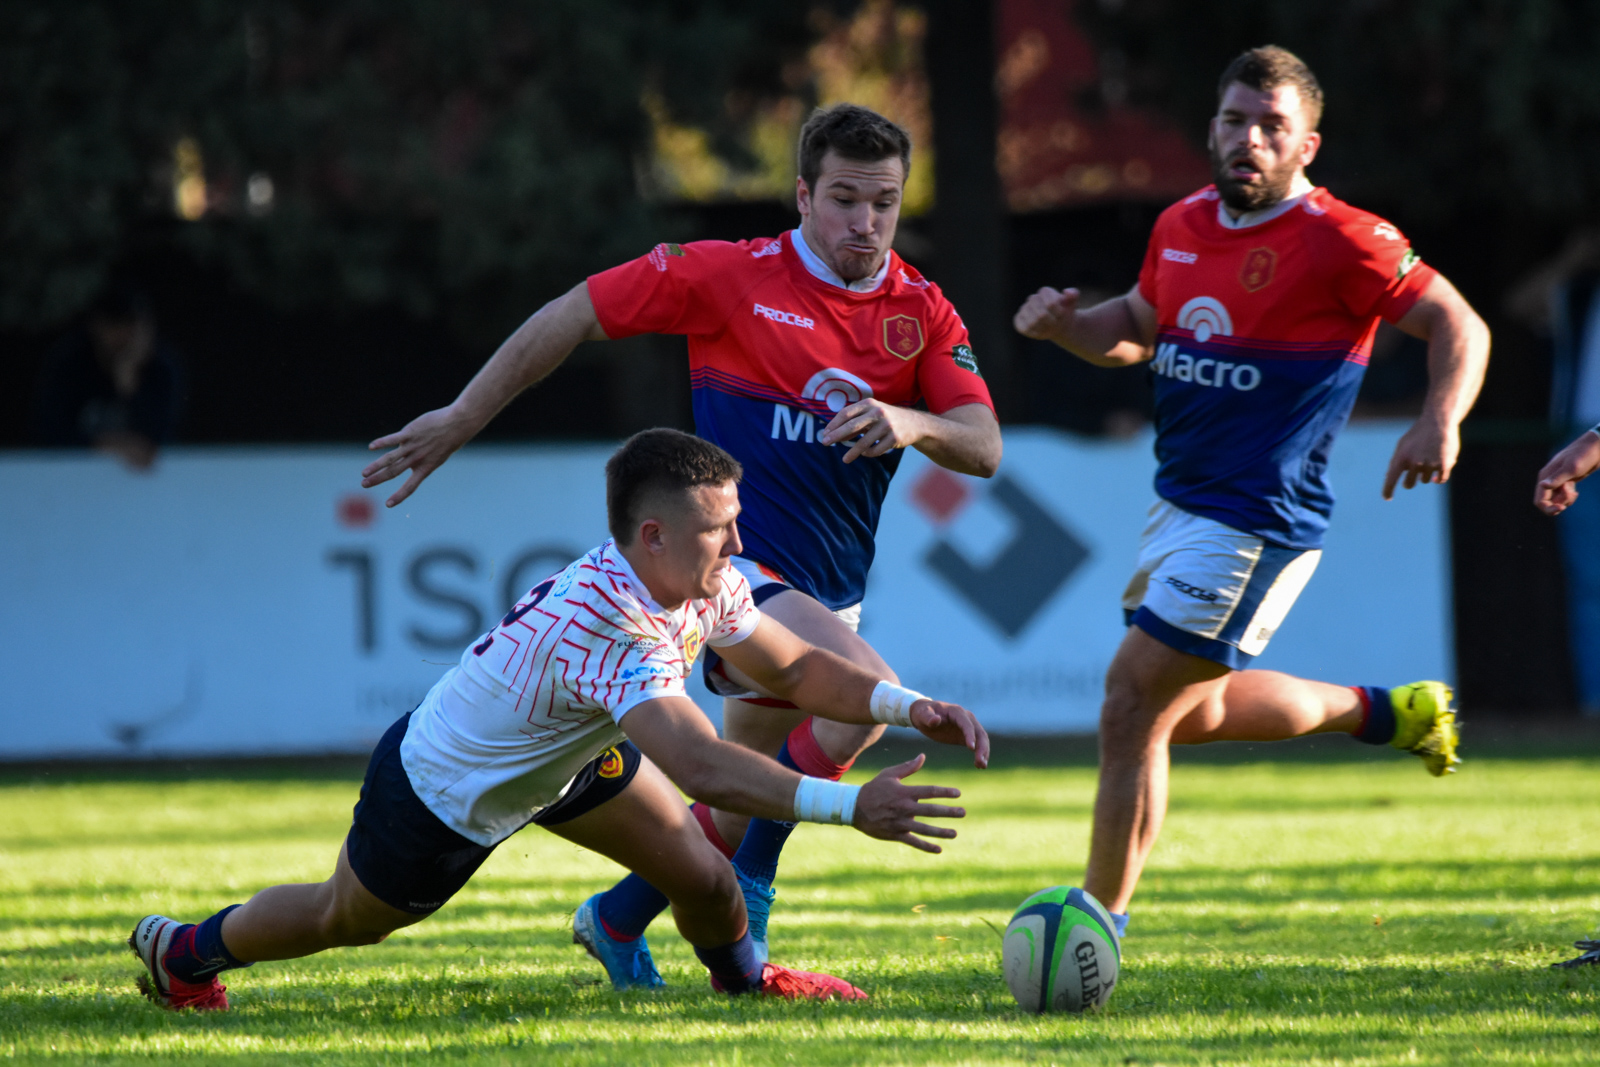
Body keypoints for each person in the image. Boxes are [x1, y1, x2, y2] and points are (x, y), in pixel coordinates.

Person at [359, 103, 1000, 980]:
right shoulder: (731, 276)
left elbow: (982, 445)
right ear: (804, 196)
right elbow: (576, 311)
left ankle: (617, 920)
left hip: (830, 586)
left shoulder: (920, 311)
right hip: (735, 573)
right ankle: (751, 910)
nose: (865, 221)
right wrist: (465, 413)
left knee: (743, 789)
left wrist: (910, 421)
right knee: (860, 698)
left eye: (883, 202)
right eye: (845, 199)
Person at [130, 429, 989, 1010]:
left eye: (736, 523)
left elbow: (796, 667)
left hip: (569, 756)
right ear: (652, 535)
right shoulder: (611, 623)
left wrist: (907, 705)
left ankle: (745, 988)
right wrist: (851, 806)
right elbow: (702, 767)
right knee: (342, 918)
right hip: (449, 785)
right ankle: (184, 952)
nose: (737, 545)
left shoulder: (703, 577)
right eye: (719, 529)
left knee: (707, 880)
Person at [1012, 46, 1491, 938]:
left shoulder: (1345, 237)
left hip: (1258, 522)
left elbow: (1458, 321)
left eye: (1273, 126)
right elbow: (1138, 327)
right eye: (1236, 121)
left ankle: (1096, 925)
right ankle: (1388, 711)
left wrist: (1441, 418)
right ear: (1213, 128)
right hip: (1178, 506)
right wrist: (1068, 327)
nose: (1251, 140)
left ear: (1308, 145)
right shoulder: (1181, 223)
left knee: (1130, 701)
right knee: (1192, 713)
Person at [34, 283, 184, 470]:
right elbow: (49, 431)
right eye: (116, 324)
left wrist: (129, 384)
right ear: (96, 326)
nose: (125, 335)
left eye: (133, 325)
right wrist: (101, 445)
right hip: (73, 475)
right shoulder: (69, 364)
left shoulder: (161, 368)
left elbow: (164, 436)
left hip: (140, 480)